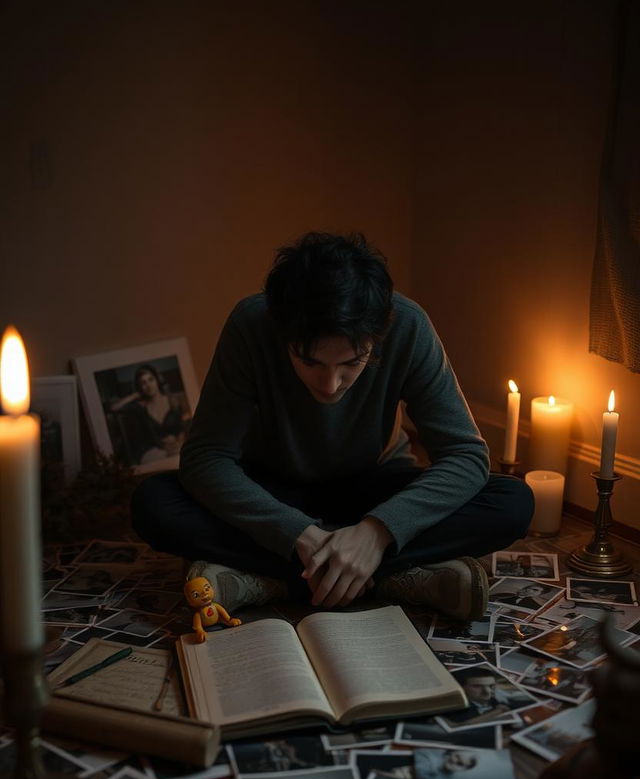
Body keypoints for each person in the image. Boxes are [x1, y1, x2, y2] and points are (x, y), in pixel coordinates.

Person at [131, 232, 533, 618]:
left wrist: (376, 533)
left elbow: (465, 455)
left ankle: (274, 578)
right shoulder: (251, 324)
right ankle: (391, 577)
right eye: (310, 362)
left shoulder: (408, 325)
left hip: (372, 490)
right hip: (271, 491)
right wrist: (298, 534)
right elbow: (206, 458)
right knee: (153, 503)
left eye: (351, 363)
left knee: (513, 503)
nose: (330, 384)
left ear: (375, 337)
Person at [111, 363, 190, 464]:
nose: (148, 385)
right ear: (140, 387)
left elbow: (181, 429)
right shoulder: (140, 407)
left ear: (157, 380)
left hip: (175, 447)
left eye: (151, 380)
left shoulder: (173, 401)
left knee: (182, 456)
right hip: (152, 451)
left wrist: (178, 442)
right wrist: (135, 395)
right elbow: (113, 408)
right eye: (143, 383)